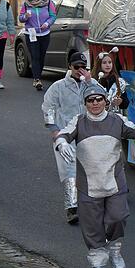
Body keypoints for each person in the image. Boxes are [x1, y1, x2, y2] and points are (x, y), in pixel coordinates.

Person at [54, 83, 135, 268]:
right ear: (85, 103)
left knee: (117, 217)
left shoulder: (116, 120)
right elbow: (63, 134)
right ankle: (98, 265)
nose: (95, 103)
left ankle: (114, 250)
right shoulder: (78, 122)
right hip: (88, 184)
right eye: (90, 100)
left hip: (114, 181)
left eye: (99, 99)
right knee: (92, 226)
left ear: (105, 101)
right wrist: (61, 143)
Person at [42, 52, 94, 224]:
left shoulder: (90, 85)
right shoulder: (58, 87)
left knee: (89, 170)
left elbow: (103, 101)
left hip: (87, 134)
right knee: (70, 171)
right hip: (65, 135)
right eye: (76, 67)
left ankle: (90, 204)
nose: (80, 70)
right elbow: (48, 107)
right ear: (70, 67)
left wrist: (90, 83)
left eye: (83, 67)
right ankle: (72, 208)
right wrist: (54, 130)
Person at [19, 0, 56, 91]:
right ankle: (37, 79)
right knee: (35, 56)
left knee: (41, 56)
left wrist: (47, 24)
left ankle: (38, 75)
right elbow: (20, 18)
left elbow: (53, 16)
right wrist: (25, 16)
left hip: (44, 33)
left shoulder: (48, 3)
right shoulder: (26, 4)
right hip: (31, 32)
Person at [91, 50, 129, 114]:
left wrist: (121, 101)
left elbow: (126, 103)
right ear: (99, 64)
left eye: (110, 62)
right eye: (104, 63)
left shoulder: (119, 81)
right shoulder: (93, 81)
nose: (108, 65)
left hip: (114, 118)